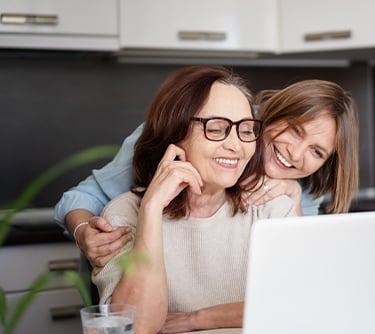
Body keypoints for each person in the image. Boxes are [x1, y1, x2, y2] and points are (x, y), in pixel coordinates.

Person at [55, 75, 359, 269]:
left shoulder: (300, 190)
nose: (296, 154)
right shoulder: (178, 134)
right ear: (272, 115)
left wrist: (293, 200)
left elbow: (298, 283)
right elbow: (81, 197)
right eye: (294, 131)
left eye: (317, 151)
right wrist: (84, 233)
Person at [92, 66, 297, 334]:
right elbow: (134, 327)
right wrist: (151, 210)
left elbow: (295, 307)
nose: (236, 145)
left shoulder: (273, 209)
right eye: (216, 128)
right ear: (175, 131)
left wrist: (202, 318)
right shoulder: (124, 214)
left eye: (245, 130)